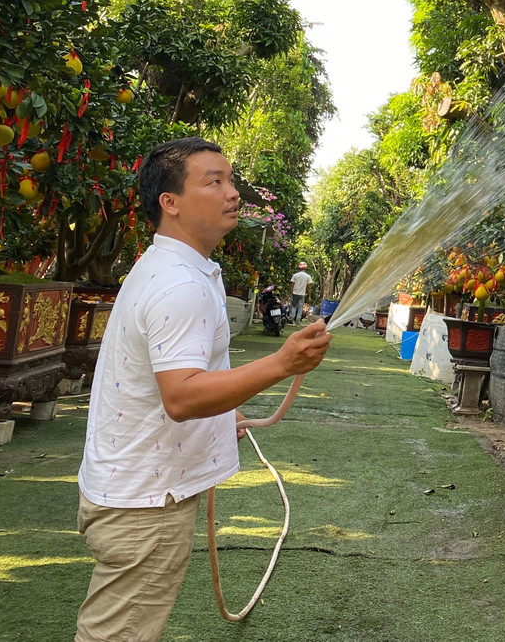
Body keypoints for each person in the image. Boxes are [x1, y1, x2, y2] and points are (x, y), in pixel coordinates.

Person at [74, 137, 331, 642]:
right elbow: (183, 396)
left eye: (230, 180)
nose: (232, 192)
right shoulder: (181, 284)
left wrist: (222, 415)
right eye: (213, 181)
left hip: (135, 488)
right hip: (146, 502)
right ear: (169, 202)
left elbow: (171, 381)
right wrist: (281, 363)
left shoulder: (178, 268)